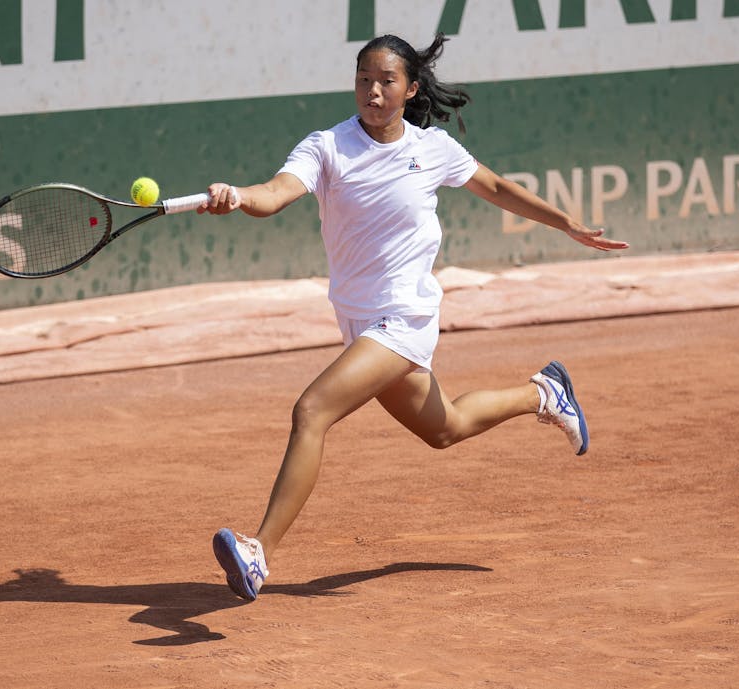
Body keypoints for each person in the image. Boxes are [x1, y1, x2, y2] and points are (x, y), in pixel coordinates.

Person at [196, 33, 629, 602]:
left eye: (386, 82)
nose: (373, 93)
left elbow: (495, 186)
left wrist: (565, 223)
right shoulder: (326, 147)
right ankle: (544, 394)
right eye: (363, 80)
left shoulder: (433, 149)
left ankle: (258, 553)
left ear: (411, 89)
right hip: (357, 319)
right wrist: (238, 196)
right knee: (444, 429)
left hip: (403, 316)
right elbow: (275, 194)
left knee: (312, 411)